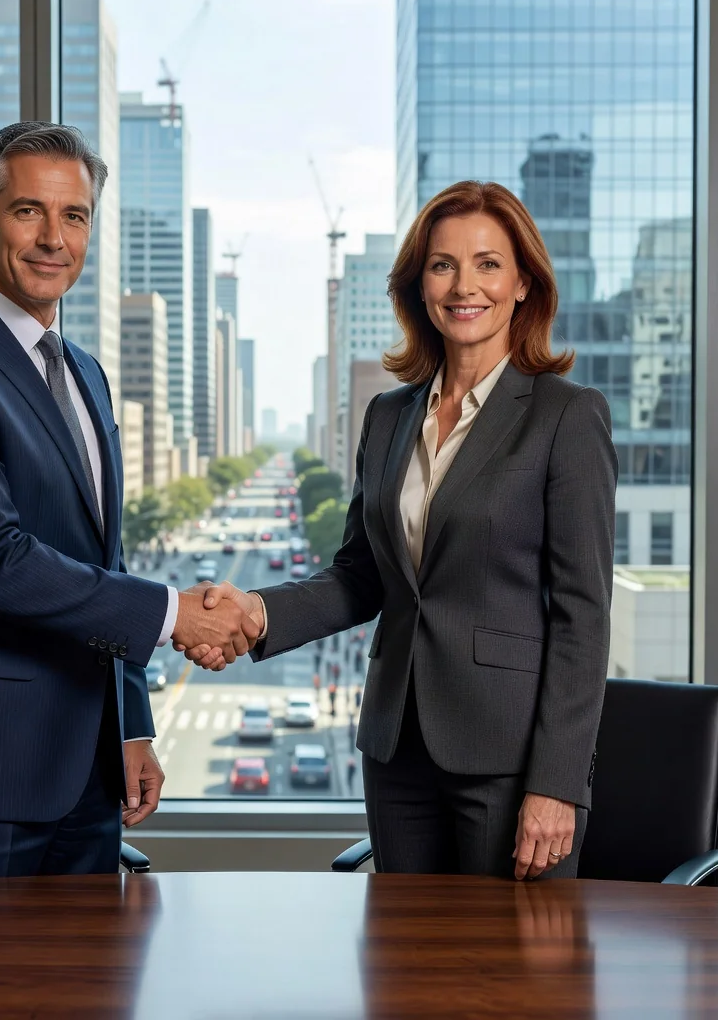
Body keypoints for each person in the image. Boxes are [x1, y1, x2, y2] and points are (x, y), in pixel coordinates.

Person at [182, 181, 616, 881]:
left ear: (524, 284)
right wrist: (255, 613)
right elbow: (361, 576)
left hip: (509, 763)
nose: (463, 285)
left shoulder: (566, 417)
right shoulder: (388, 416)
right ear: (419, 285)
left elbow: (583, 615)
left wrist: (559, 782)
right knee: (402, 973)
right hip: (396, 747)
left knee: (509, 981)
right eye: (443, 264)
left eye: (487, 263)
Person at [0, 121, 258, 882]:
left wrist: (132, 727)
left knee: (83, 991)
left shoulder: (84, 371)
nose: (53, 238)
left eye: (73, 216)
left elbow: (98, 561)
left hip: (86, 772)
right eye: (27, 212)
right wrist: (177, 614)